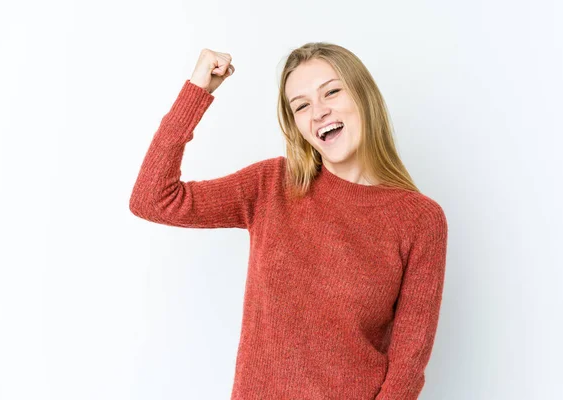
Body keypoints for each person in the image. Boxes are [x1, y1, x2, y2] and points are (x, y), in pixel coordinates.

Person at [129, 42, 449, 400]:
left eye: (331, 91)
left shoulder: (419, 220)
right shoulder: (272, 186)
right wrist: (197, 91)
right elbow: (152, 199)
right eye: (301, 106)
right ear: (296, 125)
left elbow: (407, 366)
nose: (319, 112)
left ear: (363, 95)